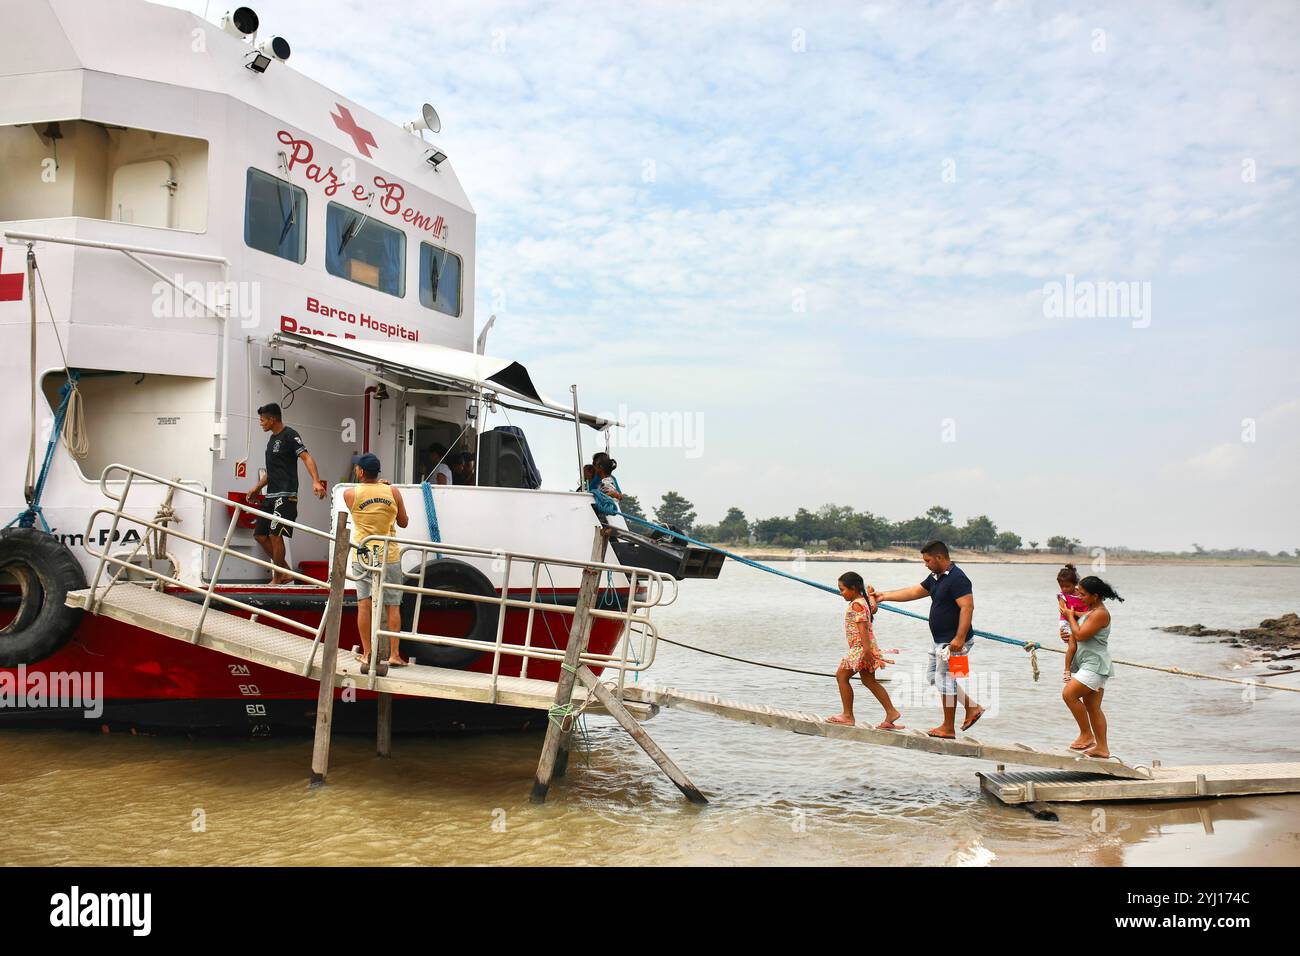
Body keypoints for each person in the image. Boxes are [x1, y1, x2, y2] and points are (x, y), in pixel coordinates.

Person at [869, 540, 984, 738]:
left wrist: (959, 638)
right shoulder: (936, 577)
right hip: (941, 640)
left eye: (927, 560)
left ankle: (948, 728)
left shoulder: (958, 578)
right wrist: (884, 596)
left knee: (945, 680)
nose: (925, 564)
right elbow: (914, 591)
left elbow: (967, 607)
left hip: (954, 642)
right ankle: (972, 708)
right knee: (934, 678)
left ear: (939, 557)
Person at [343, 453, 409, 673]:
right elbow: (404, 522)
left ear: (361, 472)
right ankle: (394, 655)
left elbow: (359, 501)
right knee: (393, 605)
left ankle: (368, 653)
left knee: (364, 602)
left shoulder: (349, 494)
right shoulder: (393, 491)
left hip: (363, 555)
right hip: (388, 556)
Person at [248, 402, 326, 585]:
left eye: (262, 420)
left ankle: (277, 578)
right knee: (260, 535)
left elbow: (306, 457)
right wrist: (257, 488)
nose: (261, 424)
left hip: (286, 495)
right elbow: (271, 471)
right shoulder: (271, 440)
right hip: (271, 495)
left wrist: (316, 480)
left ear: (272, 419)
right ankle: (286, 572)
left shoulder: (290, 435)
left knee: (276, 535)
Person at [826, 572, 902, 729]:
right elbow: (873, 609)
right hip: (867, 647)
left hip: (861, 648)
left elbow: (863, 628)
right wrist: (871, 595)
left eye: (842, 589)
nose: (841, 593)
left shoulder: (857, 604)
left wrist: (867, 652)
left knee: (841, 676)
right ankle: (891, 712)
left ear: (853, 588)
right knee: (869, 681)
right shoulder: (864, 601)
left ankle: (848, 716)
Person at [1060, 575, 1123, 758]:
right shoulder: (1090, 612)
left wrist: (1070, 617)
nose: (1080, 598)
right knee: (1093, 706)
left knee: (1069, 694)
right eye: (1079, 594)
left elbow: (1080, 635)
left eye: (1083, 595)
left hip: (1095, 665)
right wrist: (1068, 621)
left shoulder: (1100, 613)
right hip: (1090, 664)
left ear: (1095, 596)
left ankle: (1087, 735)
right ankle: (1102, 748)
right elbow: (1078, 627)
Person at [1056, 563, 1088, 683]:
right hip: (1066, 622)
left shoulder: (1082, 594)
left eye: (1067, 586)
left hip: (1079, 621)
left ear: (1075, 584)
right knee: (1072, 646)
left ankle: (1079, 669)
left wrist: (1075, 614)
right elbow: (1064, 611)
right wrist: (1072, 613)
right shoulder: (1062, 596)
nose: (1064, 589)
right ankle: (1067, 670)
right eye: (1061, 586)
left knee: (1081, 644)